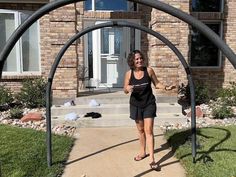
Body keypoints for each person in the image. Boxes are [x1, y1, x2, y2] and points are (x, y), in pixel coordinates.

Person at [123, 50, 175, 170]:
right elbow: (125, 89)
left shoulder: (149, 70)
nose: (139, 60)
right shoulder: (129, 74)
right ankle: (142, 152)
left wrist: (166, 87)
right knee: (141, 130)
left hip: (149, 104)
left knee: (148, 130)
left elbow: (157, 84)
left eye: (141, 58)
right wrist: (128, 88)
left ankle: (152, 159)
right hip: (135, 105)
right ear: (132, 61)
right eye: (137, 59)